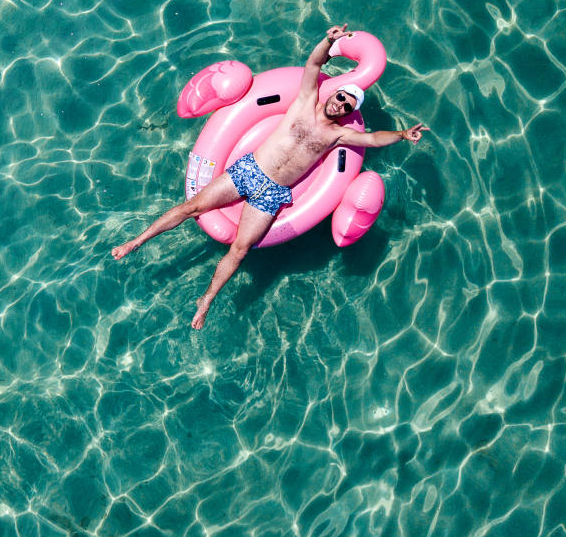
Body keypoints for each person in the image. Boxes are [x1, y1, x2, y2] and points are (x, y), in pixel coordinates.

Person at [111, 25, 427, 330]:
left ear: (348, 110)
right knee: (191, 207)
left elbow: (372, 140)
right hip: (250, 171)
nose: (340, 102)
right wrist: (327, 42)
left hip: (273, 193)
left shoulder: (339, 135)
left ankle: (206, 300)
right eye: (340, 96)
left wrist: (402, 134)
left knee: (239, 249)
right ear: (333, 94)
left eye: (347, 104)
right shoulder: (305, 102)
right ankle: (136, 242)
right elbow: (314, 63)